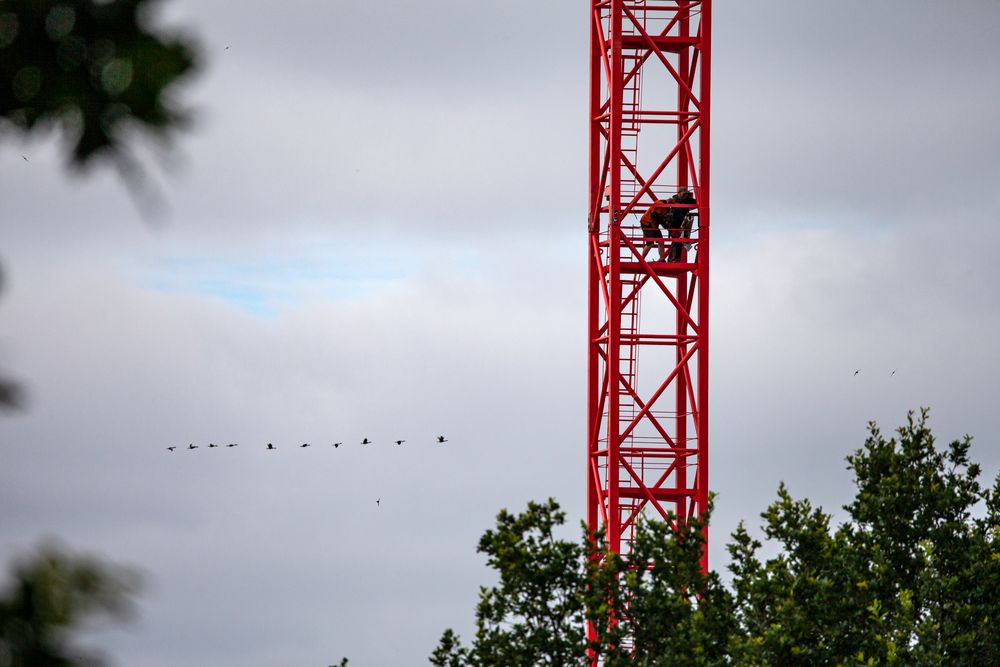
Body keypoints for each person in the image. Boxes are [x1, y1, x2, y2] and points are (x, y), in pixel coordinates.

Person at [665, 186, 696, 262]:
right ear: (679, 193)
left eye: (686, 194)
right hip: (674, 223)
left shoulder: (686, 200)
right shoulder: (674, 200)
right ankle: (674, 258)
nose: (686, 195)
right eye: (684, 194)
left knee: (678, 241)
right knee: (677, 241)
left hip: (682, 223)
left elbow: (696, 201)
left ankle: (673, 258)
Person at [639, 196, 673, 261]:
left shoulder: (666, 207)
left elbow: (659, 218)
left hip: (653, 225)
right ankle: (641, 259)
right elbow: (654, 216)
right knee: (650, 243)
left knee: (661, 241)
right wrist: (666, 225)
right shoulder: (660, 204)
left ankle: (662, 259)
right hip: (647, 223)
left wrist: (666, 225)